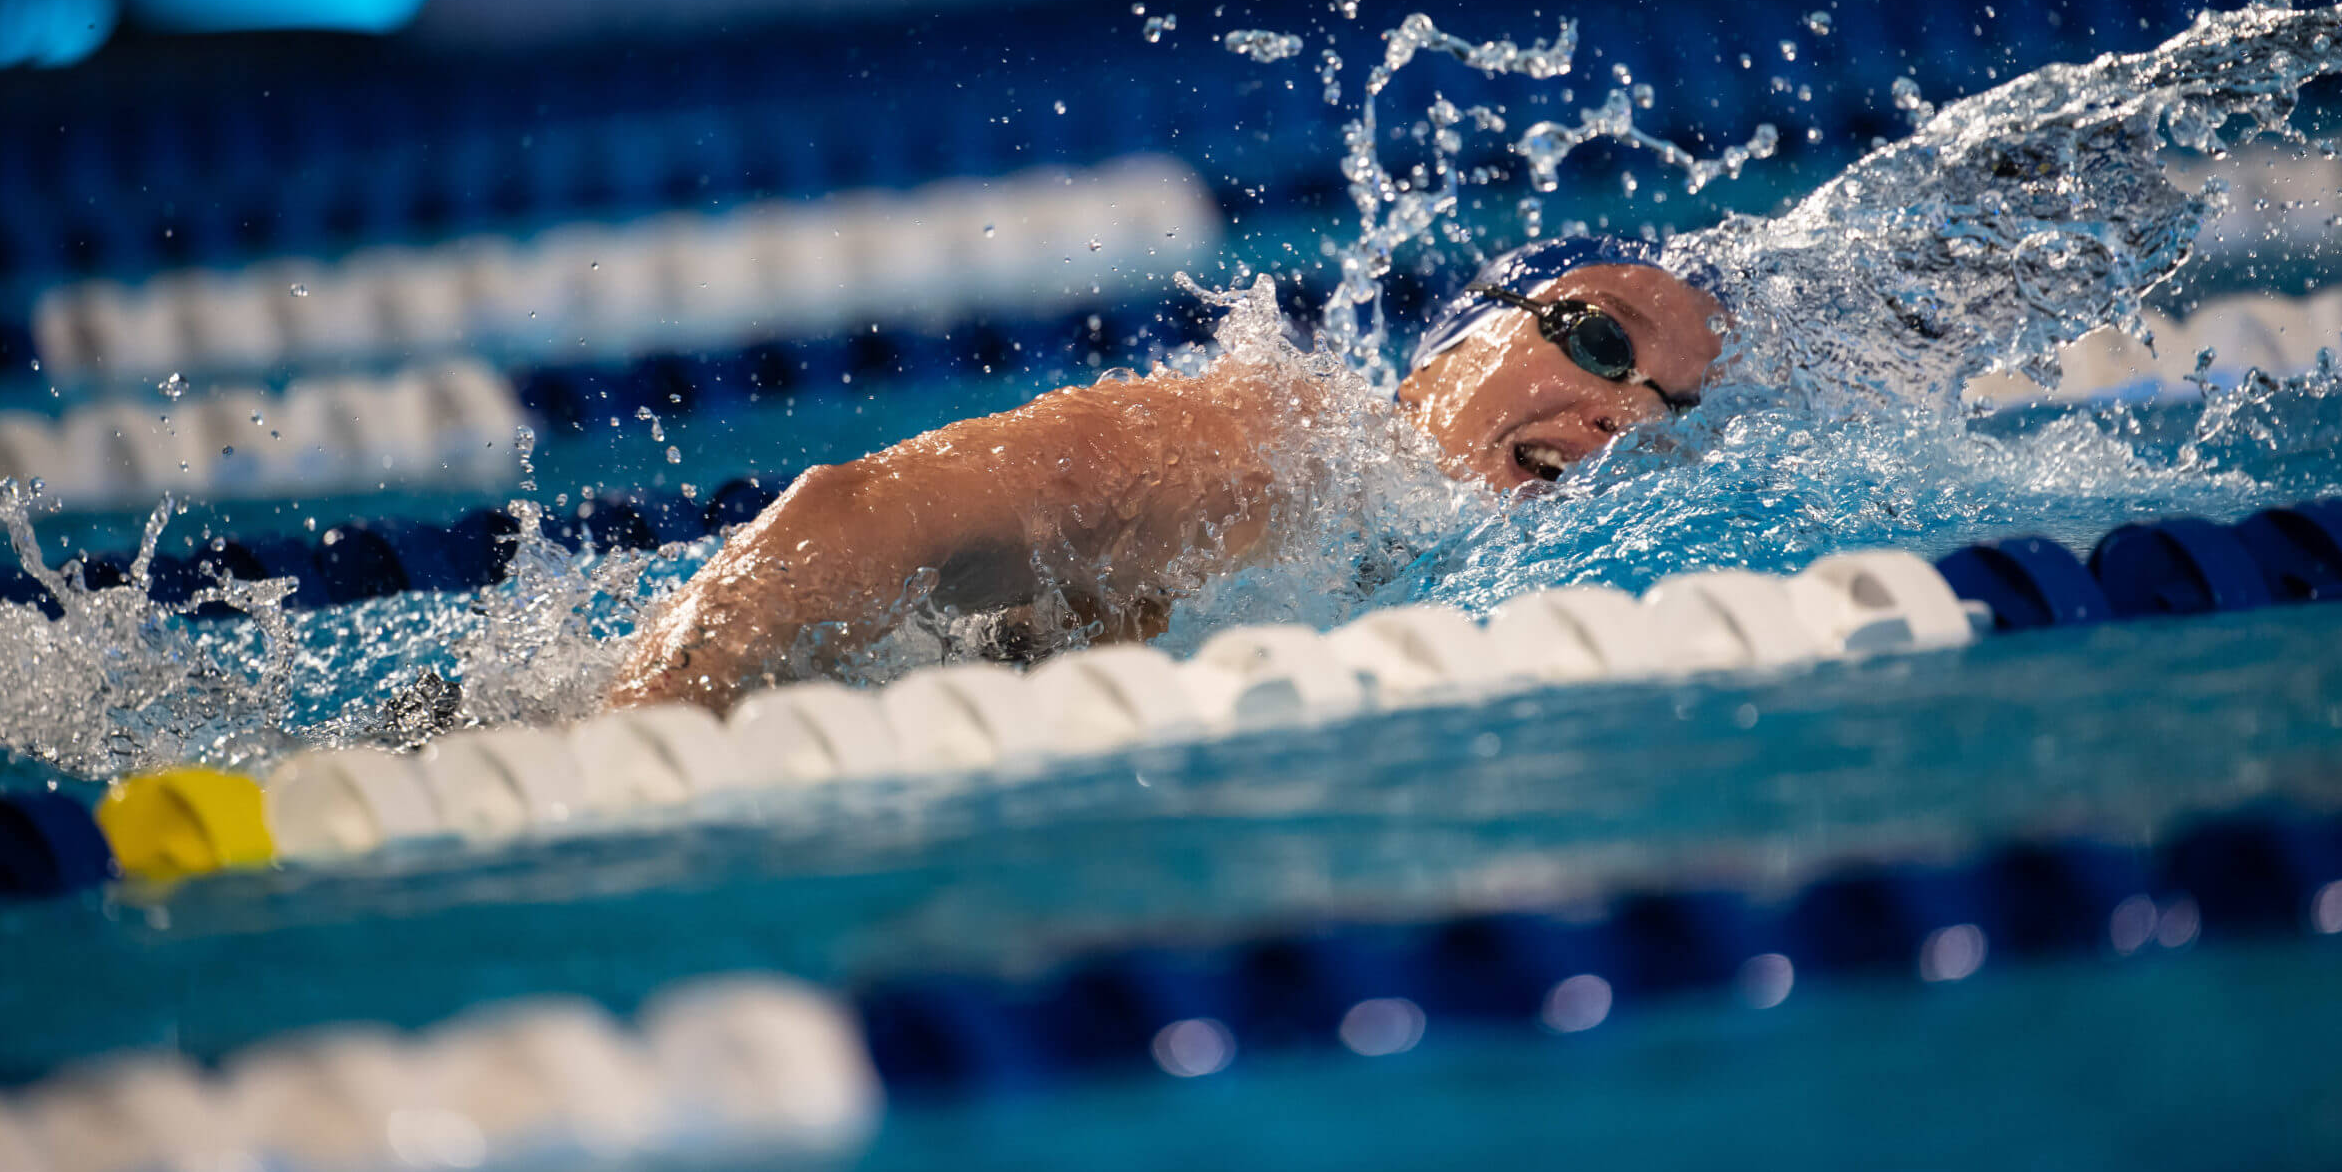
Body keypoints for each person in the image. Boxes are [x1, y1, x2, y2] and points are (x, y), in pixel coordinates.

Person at [609, 239, 1727, 710]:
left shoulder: (1473, 577)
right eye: (1596, 341)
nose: (1616, 414)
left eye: (1663, 411)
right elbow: (851, 515)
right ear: (1458, 340)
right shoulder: (1286, 441)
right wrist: (640, 742)